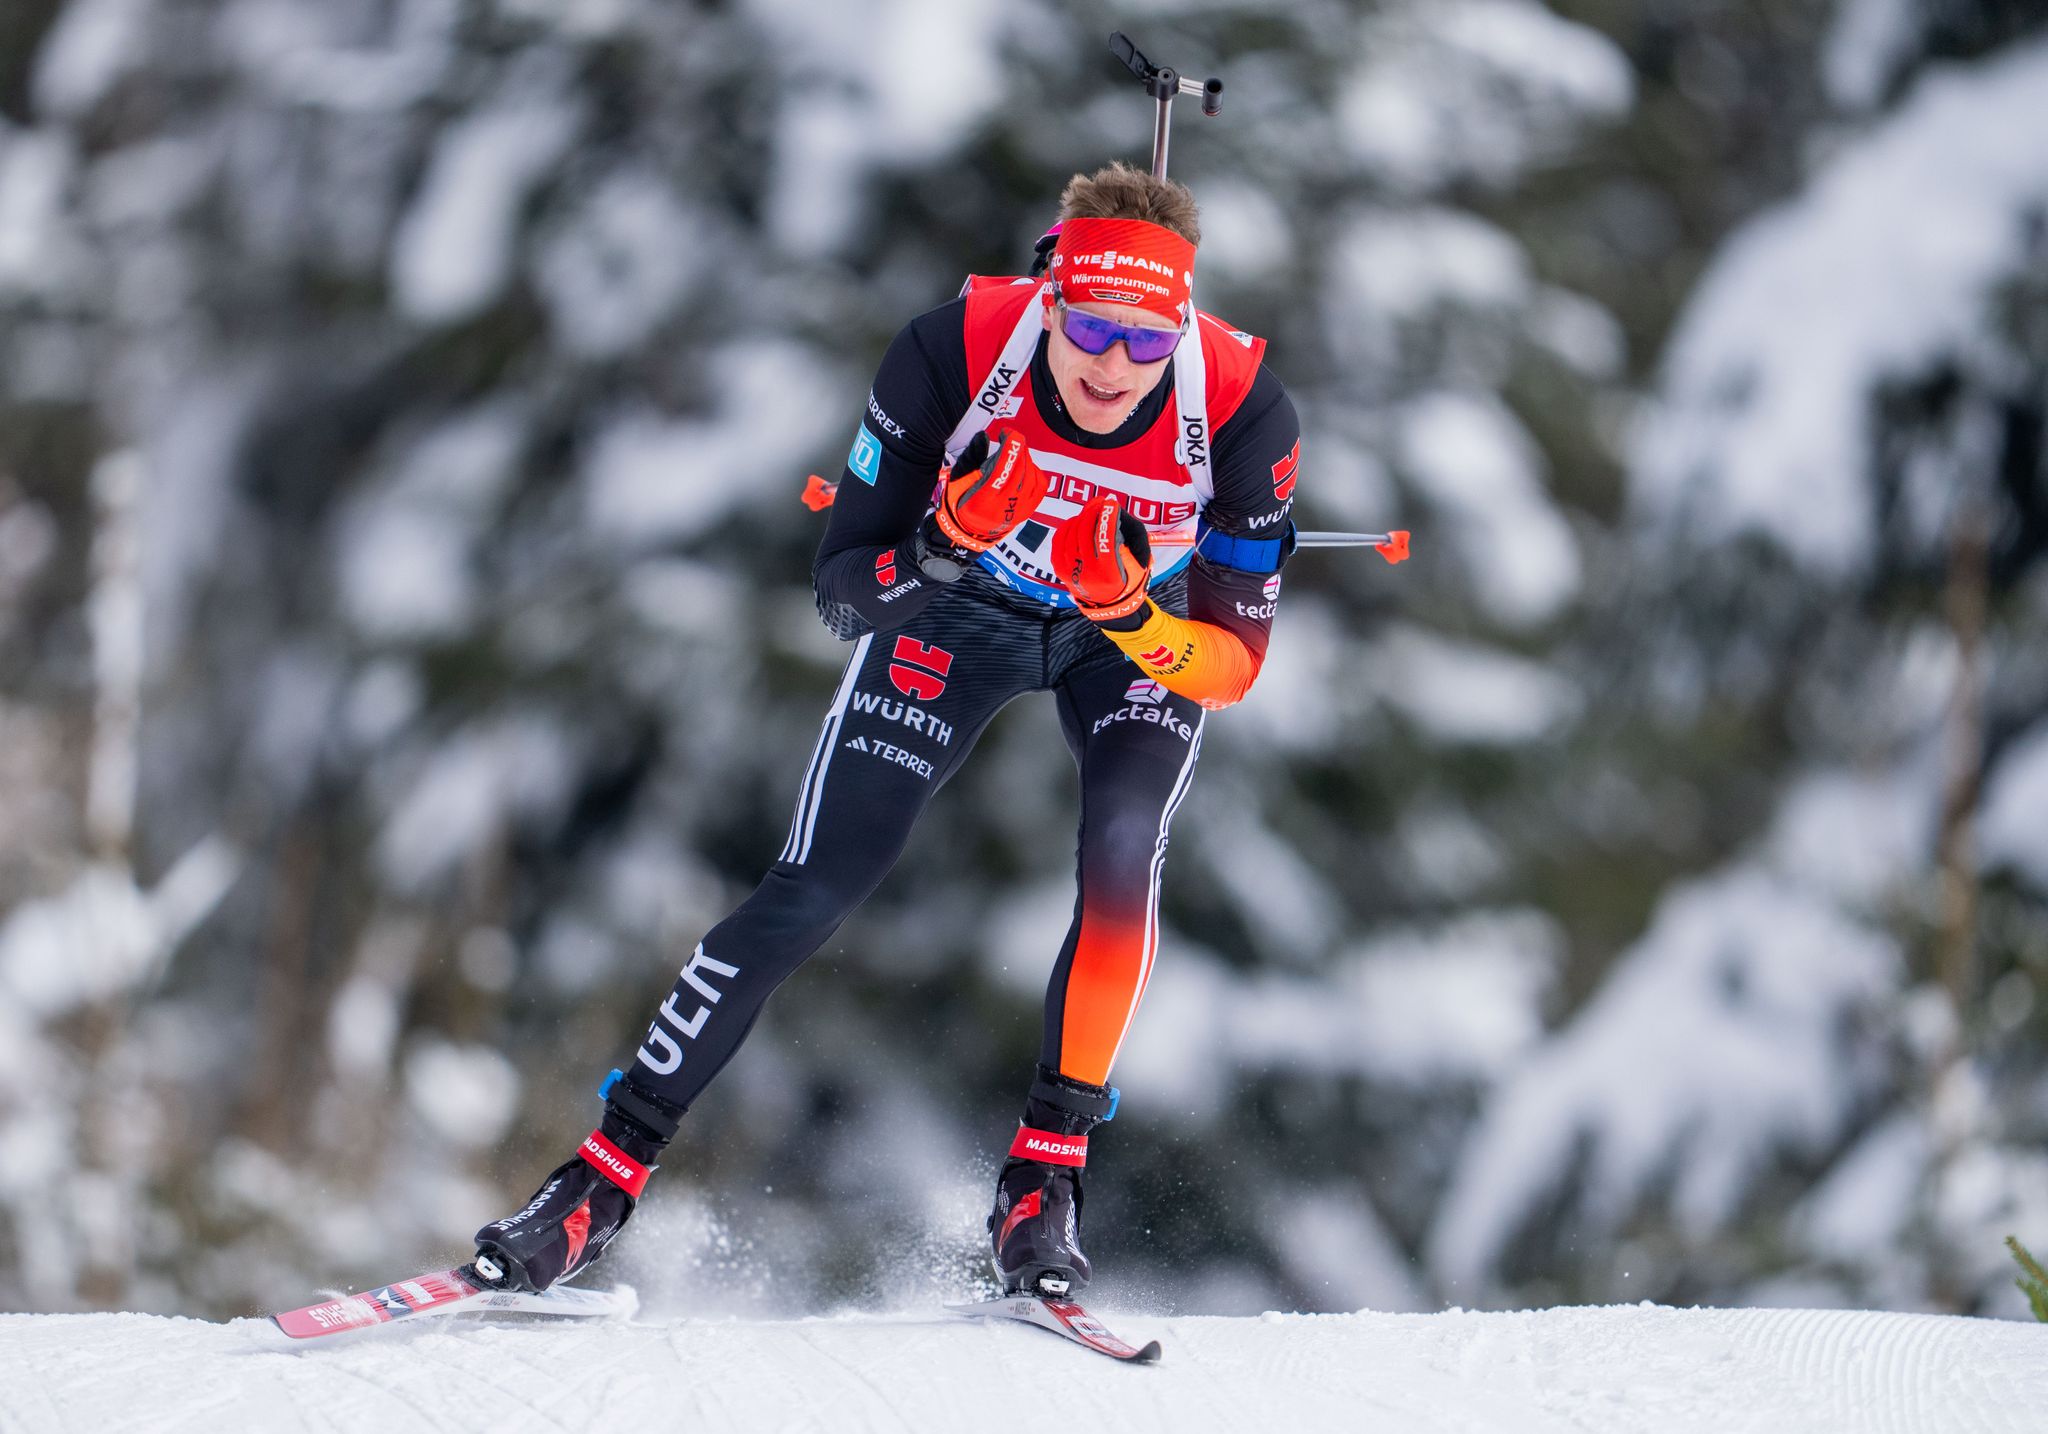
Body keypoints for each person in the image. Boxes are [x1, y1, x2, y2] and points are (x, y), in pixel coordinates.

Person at [473, 161, 1303, 1299]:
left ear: (1183, 328)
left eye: (1147, 342)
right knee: (816, 882)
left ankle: (1040, 1186)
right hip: (956, 616)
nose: (1115, 365)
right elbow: (843, 592)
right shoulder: (955, 352)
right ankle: (598, 1182)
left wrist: (1128, 613)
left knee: (1119, 863)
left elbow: (1230, 667)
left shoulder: (1242, 405)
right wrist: (949, 538)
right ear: (1049, 302)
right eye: (1093, 330)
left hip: (1126, 634)